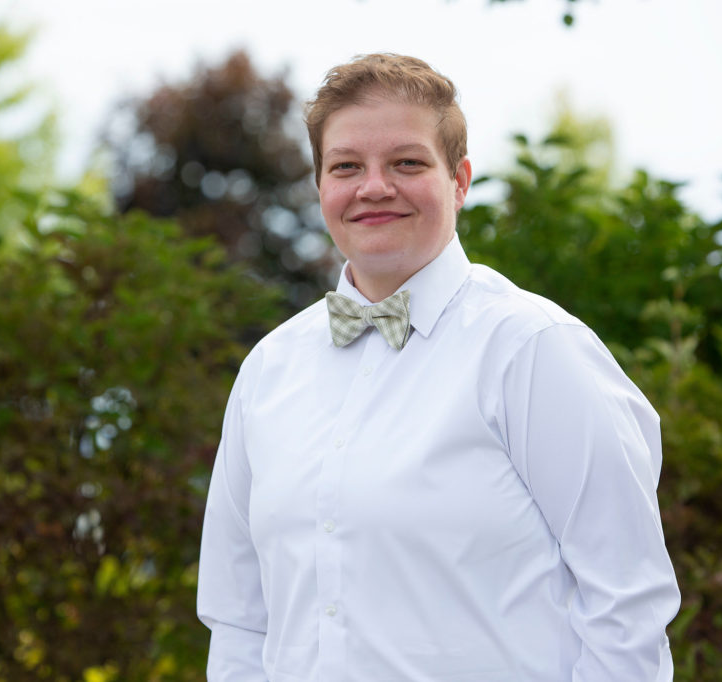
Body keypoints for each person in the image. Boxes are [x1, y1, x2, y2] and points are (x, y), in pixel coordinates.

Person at [197, 53, 680, 681]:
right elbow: (239, 622)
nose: (374, 187)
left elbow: (628, 607)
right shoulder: (268, 371)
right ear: (320, 187)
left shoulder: (534, 349)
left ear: (459, 180)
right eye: (347, 166)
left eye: (407, 162)